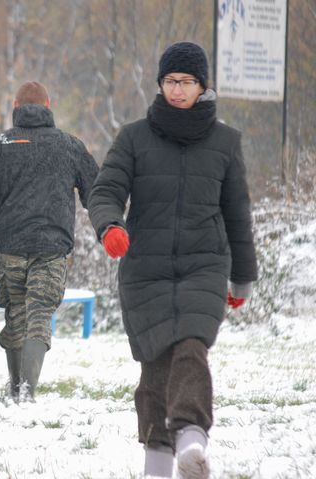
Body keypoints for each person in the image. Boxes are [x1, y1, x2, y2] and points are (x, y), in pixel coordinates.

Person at [88, 41, 257, 479]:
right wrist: (109, 227)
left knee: (191, 345)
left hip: (205, 264)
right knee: (156, 364)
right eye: (169, 81)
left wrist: (242, 276)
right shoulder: (133, 138)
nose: (177, 89)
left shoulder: (225, 143)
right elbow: (105, 190)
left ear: (203, 86)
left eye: (185, 81)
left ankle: (191, 438)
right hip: (146, 268)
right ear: (160, 84)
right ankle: (158, 464)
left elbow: (237, 213)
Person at [0, 81, 99, 402]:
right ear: (48, 105)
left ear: (15, 106)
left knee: (17, 312)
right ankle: (27, 391)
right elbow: (97, 192)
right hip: (52, 245)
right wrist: (109, 225)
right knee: (40, 312)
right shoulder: (70, 145)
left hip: (11, 245)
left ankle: (16, 386)